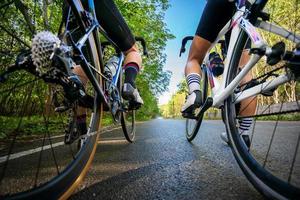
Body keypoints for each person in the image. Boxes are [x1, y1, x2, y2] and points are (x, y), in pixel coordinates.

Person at [181, 0, 257, 146]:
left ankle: (194, 93)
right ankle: (243, 134)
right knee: (244, 71)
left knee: (194, 58)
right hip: (247, 3)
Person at [70, 0, 143, 138]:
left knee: (83, 64)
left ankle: (81, 130)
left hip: (69, 5)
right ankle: (129, 85)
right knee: (133, 51)